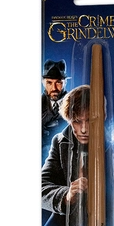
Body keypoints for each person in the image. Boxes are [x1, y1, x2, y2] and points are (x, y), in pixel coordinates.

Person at [42, 84, 90, 217]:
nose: (84, 129)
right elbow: (41, 187)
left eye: (89, 120)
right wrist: (66, 195)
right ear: (69, 121)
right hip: (68, 223)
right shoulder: (60, 142)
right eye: (77, 121)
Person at [42, 59, 69, 164]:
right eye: (49, 83)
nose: (54, 88)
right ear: (43, 83)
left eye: (58, 82)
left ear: (65, 82)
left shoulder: (75, 104)